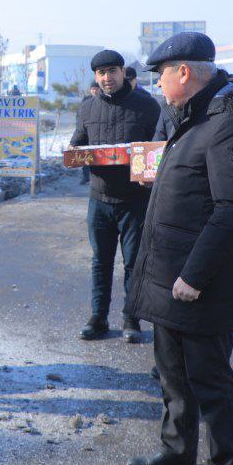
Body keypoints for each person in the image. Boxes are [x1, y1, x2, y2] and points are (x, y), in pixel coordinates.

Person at [123, 32, 233, 465]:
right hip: (166, 273)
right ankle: (177, 449)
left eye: (161, 74)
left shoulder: (230, 124)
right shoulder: (190, 119)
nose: (157, 84)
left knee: (210, 381)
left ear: (183, 72)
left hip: (198, 282)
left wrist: (195, 276)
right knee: (171, 373)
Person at [69, 50, 161, 342]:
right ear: (95, 76)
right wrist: (77, 155)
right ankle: (98, 317)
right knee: (100, 261)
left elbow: (160, 149)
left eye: (112, 71)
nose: (107, 78)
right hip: (99, 199)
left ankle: (131, 319)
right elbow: (77, 146)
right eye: (101, 73)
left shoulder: (147, 106)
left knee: (133, 262)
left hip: (135, 200)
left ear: (123, 72)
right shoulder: (87, 108)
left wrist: (146, 168)